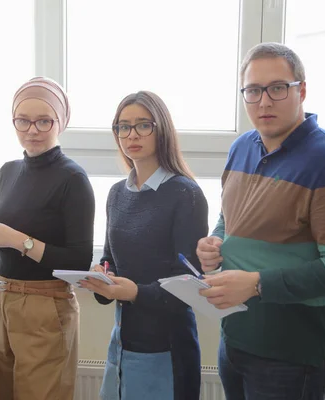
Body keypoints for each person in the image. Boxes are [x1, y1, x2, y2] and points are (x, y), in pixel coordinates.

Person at [196, 42, 325, 400]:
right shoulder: (242, 147)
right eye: (253, 90)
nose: (263, 102)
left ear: (301, 91)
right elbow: (227, 220)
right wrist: (213, 244)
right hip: (237, 337)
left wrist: (258, 284)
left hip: (295, 353)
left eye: (277, 88)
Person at [0, 77, 95, 400]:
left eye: (43, 120)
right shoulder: (7, 172)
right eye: (23, 120)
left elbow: (78, 262)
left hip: (44, 306)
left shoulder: (73, 179)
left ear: (59, 123)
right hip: (1, 298)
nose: (32, 130)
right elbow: (5, 250)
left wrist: (18, 239)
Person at [80, 91, 208, 400]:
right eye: (123, 127)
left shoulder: (185, 194)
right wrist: (102, 274)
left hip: (167, 346)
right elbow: (111, 257)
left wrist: (134, 291)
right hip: (123, 342)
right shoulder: (116, 194)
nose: (131, 135)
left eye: (142, 125)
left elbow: (189, 284)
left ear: (161, 129)